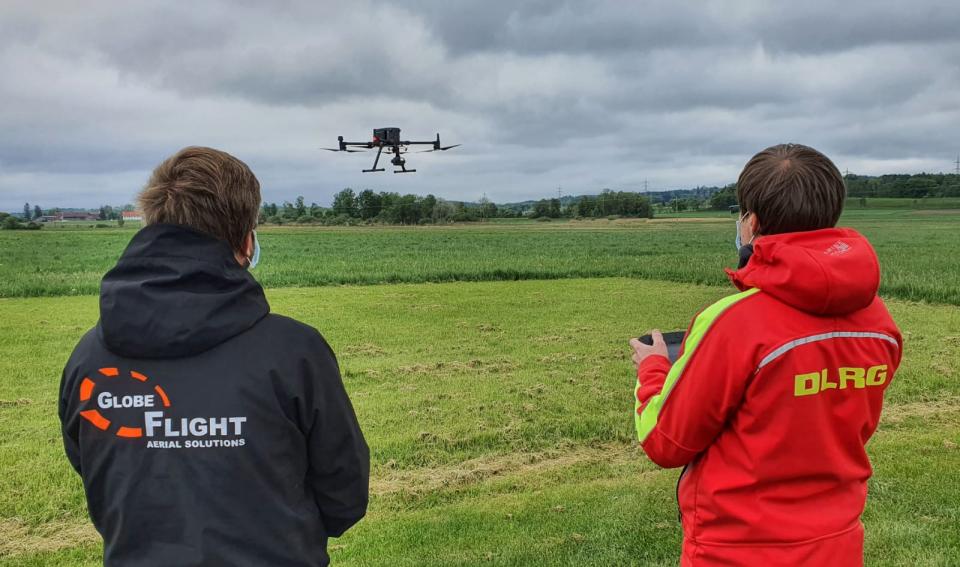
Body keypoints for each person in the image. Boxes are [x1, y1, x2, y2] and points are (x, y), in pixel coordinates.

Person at [59, 147, 369, 567]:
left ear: (153, 223)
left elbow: (100, 478)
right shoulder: (294, 351)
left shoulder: (88, 358)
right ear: (246, 240)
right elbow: (344, 494)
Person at [630, 143, 902, 566]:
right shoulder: (879, 323)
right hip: (837, 545)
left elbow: (665, 441)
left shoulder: (735, 322)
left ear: (751, 223)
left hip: (733, 549)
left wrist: (652, 369)